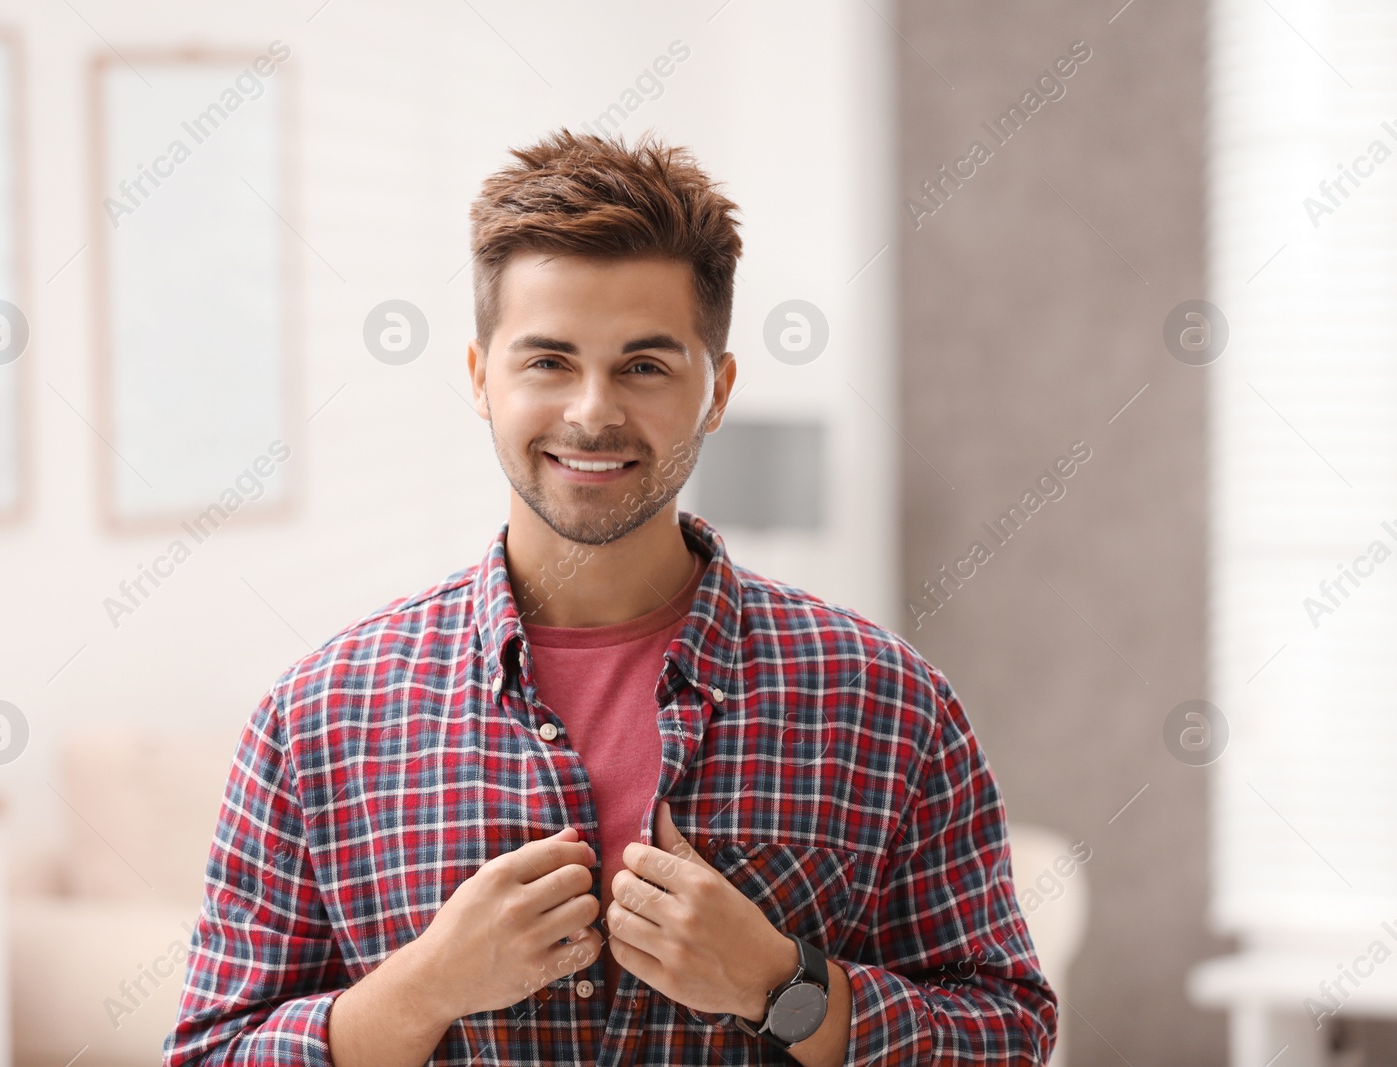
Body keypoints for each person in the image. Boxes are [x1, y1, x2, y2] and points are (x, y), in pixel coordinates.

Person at [164, 127, 1057, 1066]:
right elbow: (212, 1051)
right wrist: (425, 987)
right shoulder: (315, 720)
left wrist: (782, 987)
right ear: (481, 378)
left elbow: (1011, 1035)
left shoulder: (886, 702)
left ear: (716, 391)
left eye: (644, 365)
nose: (592, 410)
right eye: (548, 361)